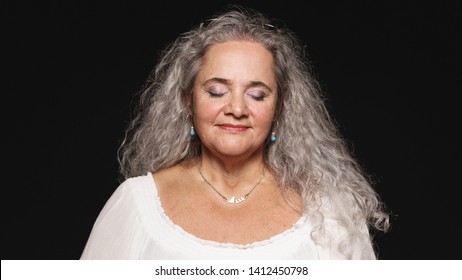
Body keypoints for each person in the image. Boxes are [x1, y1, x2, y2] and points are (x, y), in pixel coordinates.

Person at [80, 5, 389, 260]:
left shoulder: (329, 214)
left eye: (257, 95)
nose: (236, 108)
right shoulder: (137, 204)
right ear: (188, 100)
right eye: (216, 91)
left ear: (279, 108)